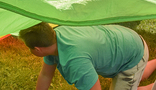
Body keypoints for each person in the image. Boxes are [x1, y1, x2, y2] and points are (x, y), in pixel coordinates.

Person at [19, 22, 156, 90]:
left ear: (37, 49)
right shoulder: (55, 37)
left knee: (132, 74)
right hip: (126, 41)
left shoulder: (75, 62)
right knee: (137, 73)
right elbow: (45, 75)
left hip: (132, 55)